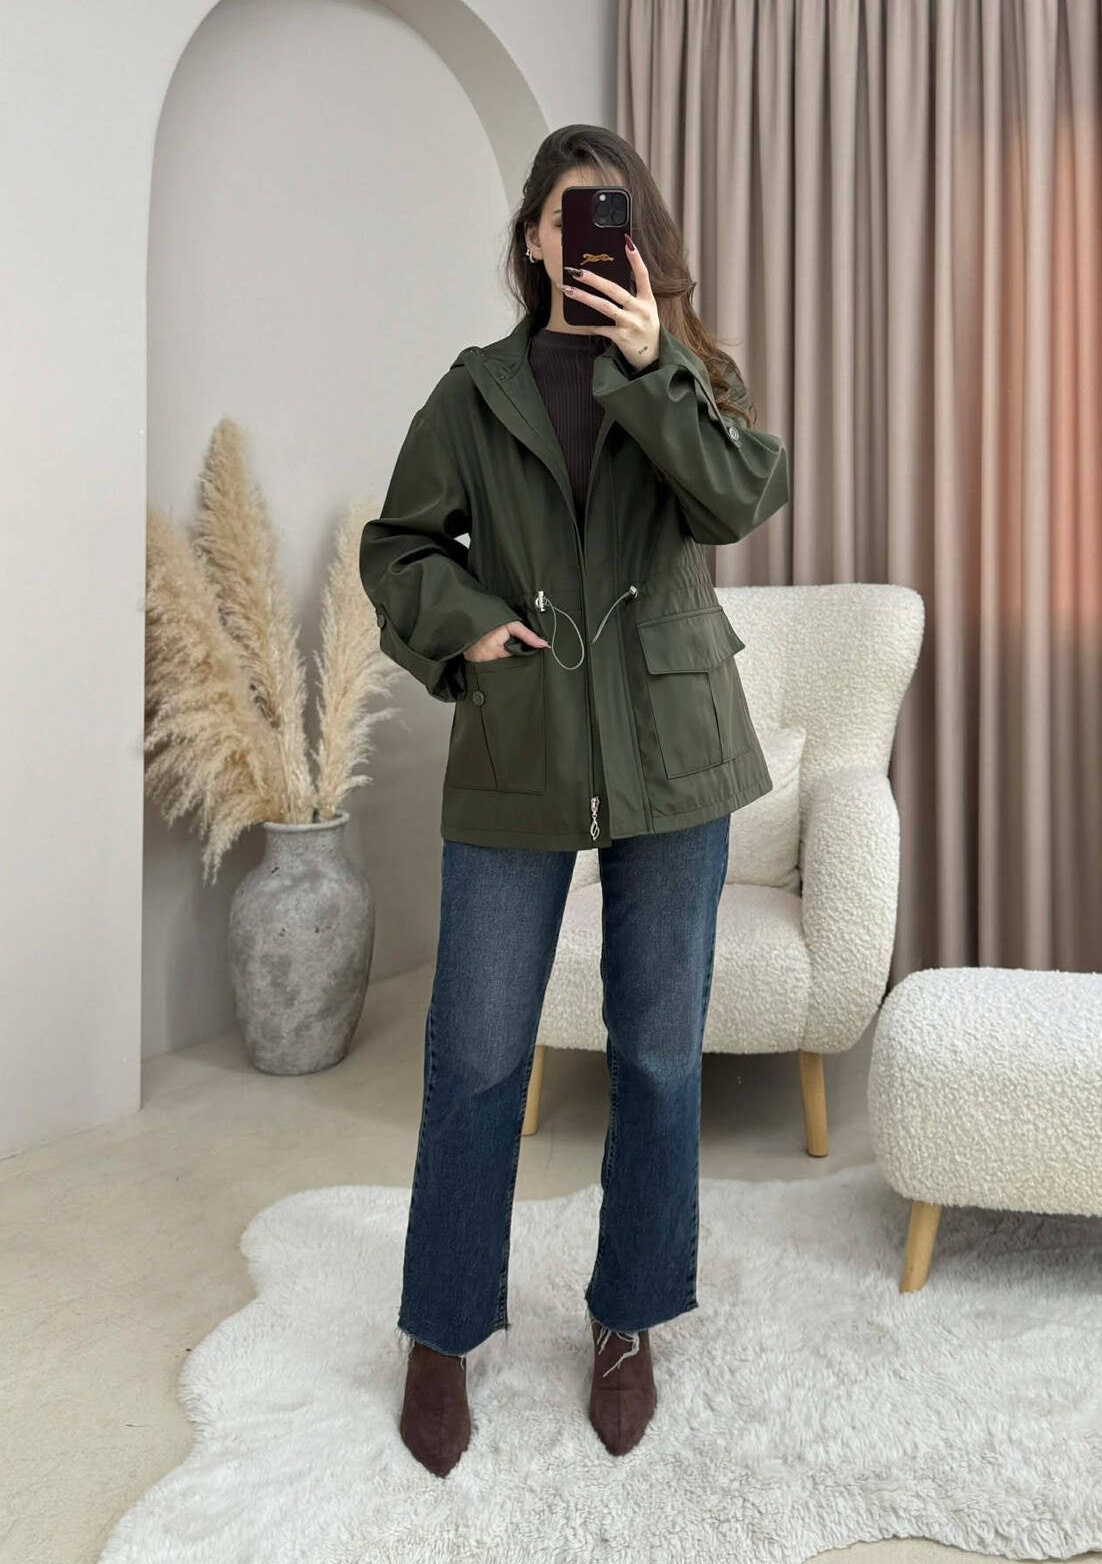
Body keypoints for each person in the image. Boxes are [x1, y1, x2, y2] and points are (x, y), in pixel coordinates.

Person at [359, 124, 791, 1475]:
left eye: (612, 216)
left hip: (674, 748)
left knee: (657, 1058)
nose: (585, 236)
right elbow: (397, 547)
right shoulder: (474, 392)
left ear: (637, 239)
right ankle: (442, 1332)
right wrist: (468, 624)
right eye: (565, 216)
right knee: (476, 1052)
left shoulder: (688, 373)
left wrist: (655, 370)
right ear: (535, 240)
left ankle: (628, 1319)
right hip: (522, 746)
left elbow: (737, 502)